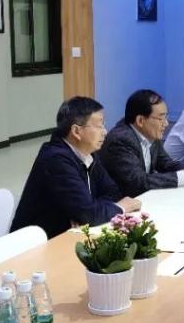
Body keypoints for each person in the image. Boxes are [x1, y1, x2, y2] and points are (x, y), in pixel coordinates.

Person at [10, 97, 141, 238]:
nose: (105, 132)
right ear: (76, 131)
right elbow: (88, 213)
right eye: (99, 126)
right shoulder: (55, 160)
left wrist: (88, 212)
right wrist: (120, 207)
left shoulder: (88, 153)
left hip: (70, 235)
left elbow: (113, 193)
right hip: (35, 243)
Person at [99, 89, 184, 197]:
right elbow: (137, 182)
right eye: (161, 118)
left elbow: (165, 164)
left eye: (166, 117)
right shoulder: (121, 140)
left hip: (143, 197)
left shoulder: (149, 132)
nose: (166, 123)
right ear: (140, 121)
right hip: (120, 203)